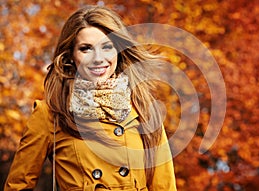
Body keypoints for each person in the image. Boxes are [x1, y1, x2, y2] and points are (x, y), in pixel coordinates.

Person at [4, 5, 177, 191]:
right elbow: (17, 186)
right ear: (71, 55)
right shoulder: (51, 114)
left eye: (107, 47)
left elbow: (164, 187)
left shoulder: (144, 109)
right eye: (86, 49)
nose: (98, 58)